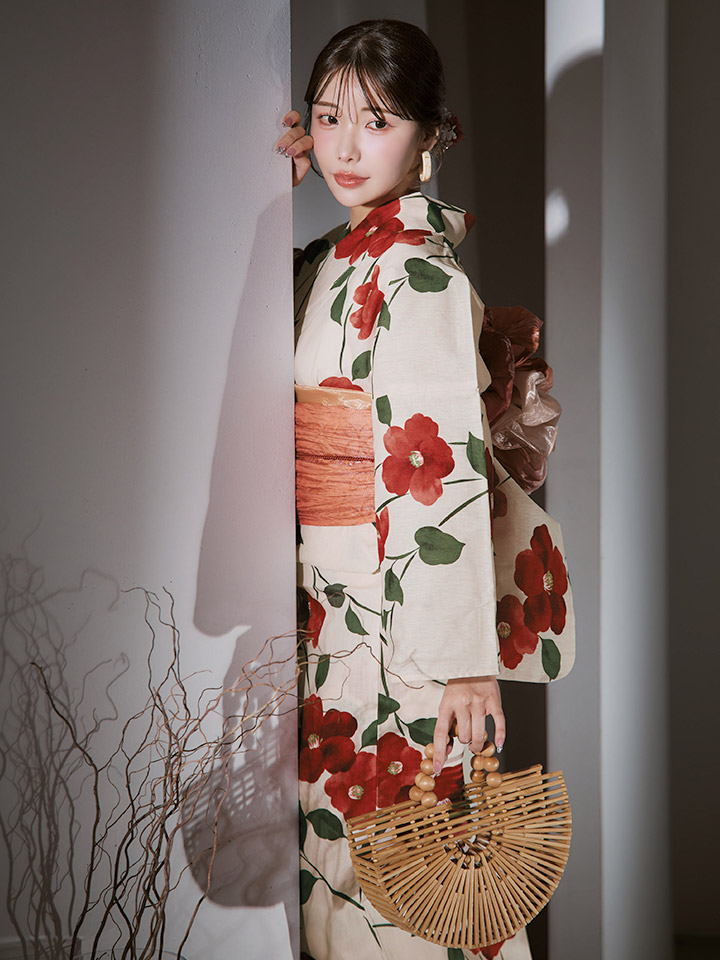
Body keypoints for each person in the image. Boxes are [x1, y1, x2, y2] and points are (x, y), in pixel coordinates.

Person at [275, 19, 574, 960]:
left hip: (406, 628)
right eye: (328, 118)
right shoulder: (341, 257)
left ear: (430, 136)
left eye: (378, 121)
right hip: (337, 612)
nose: (347, 146)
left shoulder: (417, 274)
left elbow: (439, 469)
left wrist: (465, 663)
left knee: (416, 890)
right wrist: (263, 192)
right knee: (347, 882)